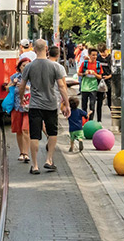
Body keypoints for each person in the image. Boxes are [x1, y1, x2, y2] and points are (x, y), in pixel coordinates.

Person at [18, 39, 70, 175]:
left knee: (34, 135)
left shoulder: (29, 67)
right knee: (52, 132)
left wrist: (22, 98)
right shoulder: (55, 66)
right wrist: (67, 103)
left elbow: (22, 85)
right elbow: (62, 86)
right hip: (51, 105)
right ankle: (49, 160)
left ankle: (35, 165)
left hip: (35, 105)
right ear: (46, 49)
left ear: (34, 49)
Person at [8, 58, 31, 162]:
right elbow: (7, 88)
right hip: (17, 107)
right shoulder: (15, 77)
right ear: (19, 67)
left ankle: (26, 153)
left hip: (28, 107)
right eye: (23, 65)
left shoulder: (33, 78)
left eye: (28, 65)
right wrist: (12, 84)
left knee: (26, 129)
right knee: (18, 130)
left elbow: (38, 89)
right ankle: (21, 152)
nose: (25, 67)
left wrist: (27, 88)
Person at [77, 48, 102, 121]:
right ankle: (84, 120)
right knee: (84, 105)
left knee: (92, 105)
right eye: (93, 55)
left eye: (96, 55)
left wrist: (95, 74)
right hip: (85, 87)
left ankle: (91, 120)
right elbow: (79, 73)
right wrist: (85, 73)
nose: (94, 57)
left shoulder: (98, 64)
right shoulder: (84, 63)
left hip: (93, 87)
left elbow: (100, 76)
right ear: (89, 55)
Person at [96, 48, 113, 119]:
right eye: (101, 52)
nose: (103, 54)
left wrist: (109, 76)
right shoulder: (98, 58)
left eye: (104, 52)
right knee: (99, 101)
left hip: (108, 81)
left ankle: (114, 114)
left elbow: (115, 69)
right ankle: (99, 119)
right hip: (100, 80)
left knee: (110, 99)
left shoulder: (111, 58)